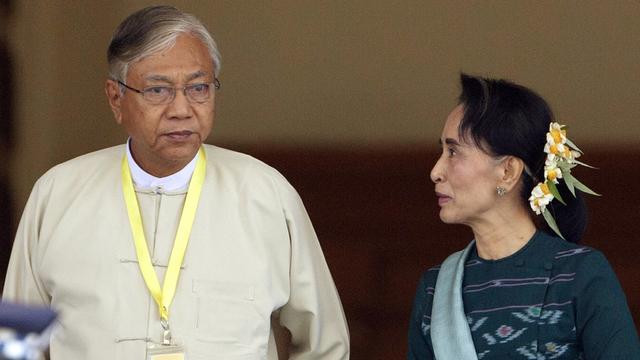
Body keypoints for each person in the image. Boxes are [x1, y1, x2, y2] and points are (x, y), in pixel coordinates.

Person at [3, 6, 349, 360]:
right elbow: (17, 345)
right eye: (158, 90)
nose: (181, 109)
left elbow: (324, 345)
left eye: (198, 87)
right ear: (115, 98)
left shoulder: (266, 195)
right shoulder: (57, 195)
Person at [407, 74, 640, 359]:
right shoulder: (435, 289)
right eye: (442, 150)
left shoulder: (580, 275)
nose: (435, 171)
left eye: (454, 151)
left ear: (507, 171)